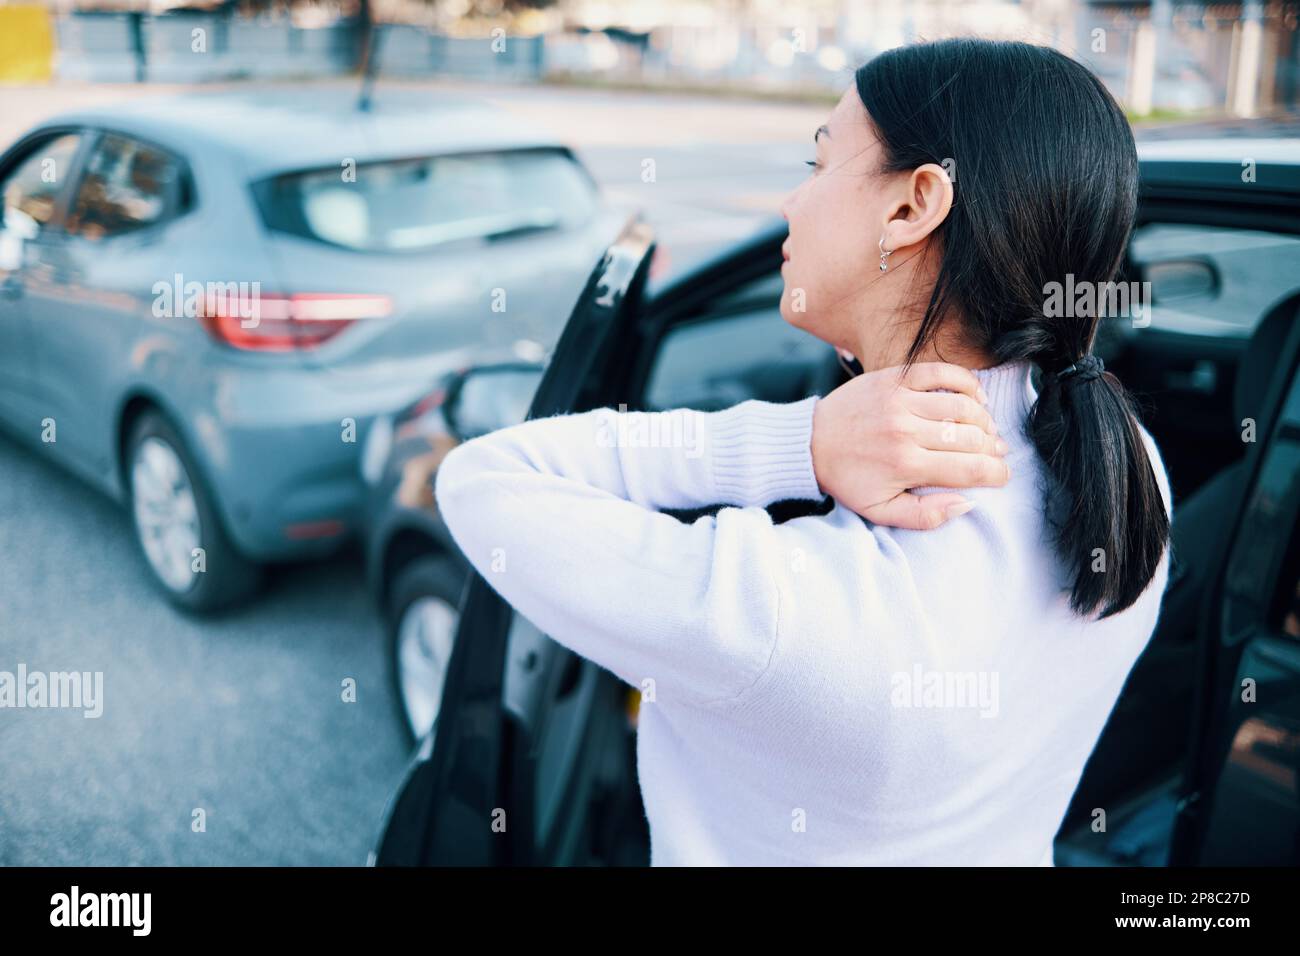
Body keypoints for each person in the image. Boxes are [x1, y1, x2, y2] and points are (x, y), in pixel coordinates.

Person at [434, 38, 1173, 866]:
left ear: (911, 207)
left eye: (818, 164)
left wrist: (801, 442)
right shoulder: (1133, 474)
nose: (791, 201)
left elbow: (482, 478)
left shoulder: (778, 610)